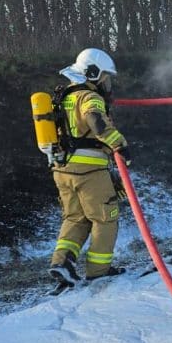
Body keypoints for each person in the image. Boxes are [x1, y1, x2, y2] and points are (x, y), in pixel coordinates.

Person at [48, 48, 130, 289]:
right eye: (105, 77)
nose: (108, 83)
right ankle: (98, 271)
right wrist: (121, 146)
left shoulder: (65, 96)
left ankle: (61, 263)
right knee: (105, 218)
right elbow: (96, 123)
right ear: (93, 73)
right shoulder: (89, 96)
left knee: (75, 218)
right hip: (89, 170)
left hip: (62, 169)